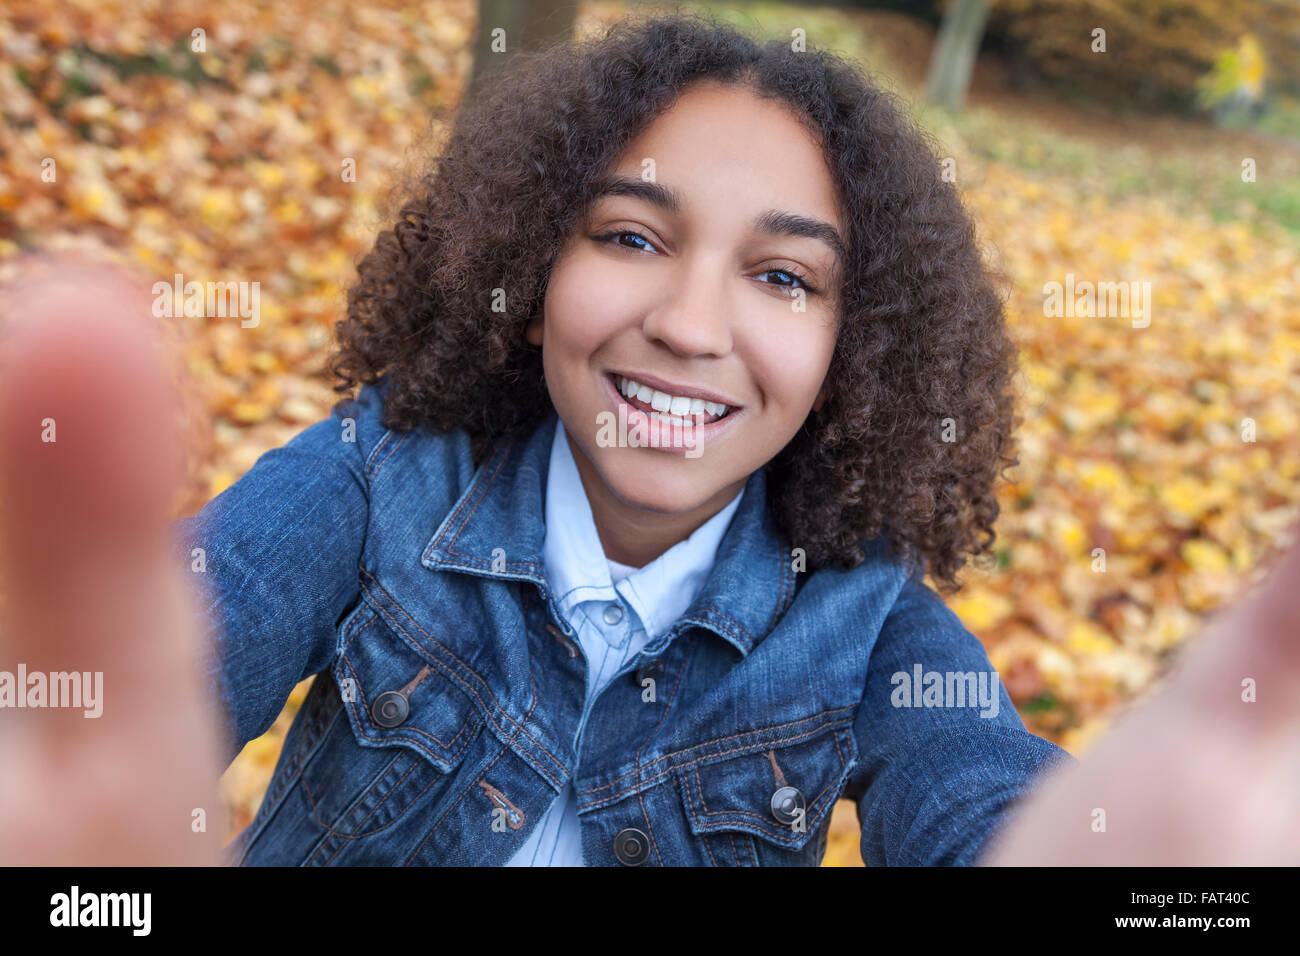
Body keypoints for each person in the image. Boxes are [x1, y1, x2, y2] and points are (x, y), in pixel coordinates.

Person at [0, 13, 1296, 867]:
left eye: (783, 278)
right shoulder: (383, 474)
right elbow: (170, 652)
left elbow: (974, 789)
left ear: (862, 349)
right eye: (630, 238)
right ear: (529, 261)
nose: (686, 324)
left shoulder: (867, 623)